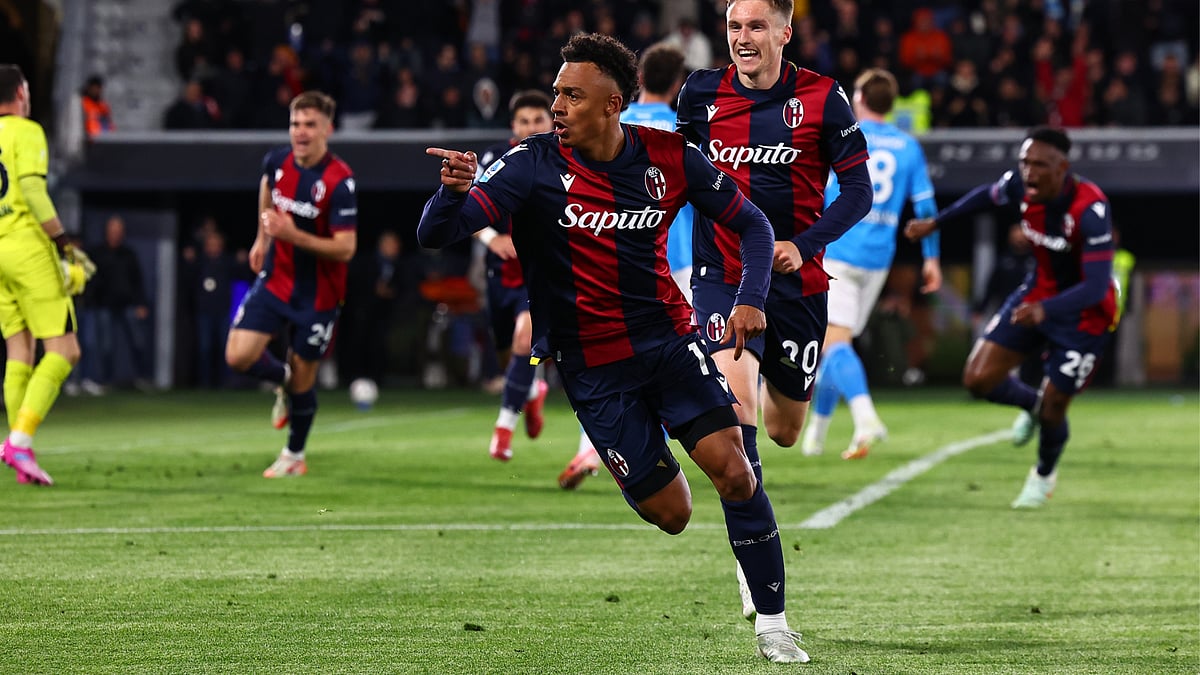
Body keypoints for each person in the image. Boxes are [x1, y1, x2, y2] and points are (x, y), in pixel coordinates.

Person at [419, 32, 809, 664]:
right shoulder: (529, 164)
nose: (559, 106)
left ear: (613, 103)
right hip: (593, 370)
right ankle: (652, 460)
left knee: (736, 471)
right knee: (674, 513)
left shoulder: (670, 157)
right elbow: (437, 233)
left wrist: (752, 298)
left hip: (669, 344)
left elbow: (754, 225)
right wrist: (454, 192)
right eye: (556, 94)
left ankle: (773, 622)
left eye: (573, 94)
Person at [675, 0, 871, 622]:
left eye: (756, 25)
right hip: (722, 277)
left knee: (785, 428)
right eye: (734, 26)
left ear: (786, 32)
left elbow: (859, 191)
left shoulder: (822, 98)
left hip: (799, 284)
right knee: (735, 400)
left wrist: (803, 244)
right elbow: (671, 174)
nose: (743, 37)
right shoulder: (698, 96)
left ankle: (751, 494)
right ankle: (750, 549)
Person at [904, 126, 1117, 509]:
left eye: (1040, 165)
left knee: (1057, 406)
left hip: (1086, 315)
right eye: (1024, 163)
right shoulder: (1021, 188)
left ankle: (1043, 476)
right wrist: (936, 222)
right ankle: (1034, 406)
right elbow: (983, 197)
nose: (1030, 172)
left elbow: (1098, 286)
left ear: (1063, 167)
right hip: (1038, 294)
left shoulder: (1090, 209)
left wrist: (1046, 310)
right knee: (977, 379)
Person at [557, 41, 694, 490]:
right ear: (675, 84)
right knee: (680, 363)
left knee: (608, 363)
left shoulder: (616, 124)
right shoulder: (680, 131)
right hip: (675, 267)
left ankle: (592, 448)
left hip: (613, 268)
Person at [799, 68, 941, 460]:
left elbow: (815, 191)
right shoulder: (908, 146)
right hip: (878, 260)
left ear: (859, 97)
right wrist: (932, 260)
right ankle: (818, 431)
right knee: (836, 345)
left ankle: (866, 418)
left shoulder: (843, 134)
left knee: (835, 344)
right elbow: (926, 210)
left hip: (839, 252)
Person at [224, 90, 357, 478]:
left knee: (305, 379)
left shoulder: (339, 181)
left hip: (319, 295)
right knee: (237, 356)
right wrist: (262, 238)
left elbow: (346, 248)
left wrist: (290, 233)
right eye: (295, 124)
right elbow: (267, 186)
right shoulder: (278, 160)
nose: (300, 132)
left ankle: (294, 455)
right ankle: (279, 380)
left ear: (327, 129)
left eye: (309, 125)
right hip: (277, 279)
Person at [0, 64, 96, 485]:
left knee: (19, 351)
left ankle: (21, 450)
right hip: (26, 246)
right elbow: (33, 190)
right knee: (65, 350)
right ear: (21, 93)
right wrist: (64, 244)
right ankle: (19, 441)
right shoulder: (26, 130)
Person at [472, 89, 555, 462]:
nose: (531, 127)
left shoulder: (564, 157)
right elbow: (470, 211)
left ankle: (502, 429)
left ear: (551, 121)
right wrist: (493, 239)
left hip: (537, 272)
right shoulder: (493, 159)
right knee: (511, 355)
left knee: (525, 338)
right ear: (513, 126)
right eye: (524, 121)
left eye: (539, 119)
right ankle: (533, 390)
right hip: (499, 274)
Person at [89, 214, 153, 390]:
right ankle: (106, 381)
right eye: (112, 230)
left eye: (118, 230)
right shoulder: (97, 253)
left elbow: (137, 280)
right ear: (106, 231)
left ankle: (142, 378)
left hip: (128, 303)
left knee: (138, 342)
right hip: (104, 304)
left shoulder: (129, 254)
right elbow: (92, 281)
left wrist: (141, 303)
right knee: (106, 346)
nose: (115, 233)